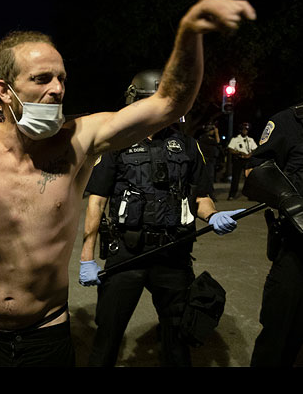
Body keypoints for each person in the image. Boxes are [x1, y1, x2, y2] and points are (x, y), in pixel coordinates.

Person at [0, 0, 255, 367]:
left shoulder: (80, 140)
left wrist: (189, 32)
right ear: (5, 91)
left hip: (47, 335)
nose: (58, 89)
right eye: (42, 78)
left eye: (62, 78)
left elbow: (171, 101)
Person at [78, 70, 243, 367]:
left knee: (177, 343)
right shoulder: (116, 144)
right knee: (107, 340)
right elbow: (97, 200)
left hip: (173, 256)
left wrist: (214, 216)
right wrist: (86, 256)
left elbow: (200, 198)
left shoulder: (189, 146)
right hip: (127, 255)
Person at [243, 42, 303, 366]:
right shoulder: (291, 122)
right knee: (278, 346)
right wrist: (292, 203)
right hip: (300, 257)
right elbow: (254, 173)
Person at [227, 122, 256, 200]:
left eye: (246, 129)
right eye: (244, 129)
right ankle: (232, 195)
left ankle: (250, 195)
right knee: (235, 178)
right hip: (238, 160)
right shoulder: (235, 139)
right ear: (240, 130)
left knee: (249, 178)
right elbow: (230, 149)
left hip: (248, 160)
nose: (245, 131)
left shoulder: (250, 140)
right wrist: (239, 153)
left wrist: (250, 154)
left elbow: (255, 149)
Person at [198, 122, 221, 200]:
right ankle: (209, 194)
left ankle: (209, 193)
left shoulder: (205, 138)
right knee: (209, 177)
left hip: (209, 160)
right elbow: (217, 141)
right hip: (207, 160)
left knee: (209, 177)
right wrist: (217, 132)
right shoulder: (205, 138)